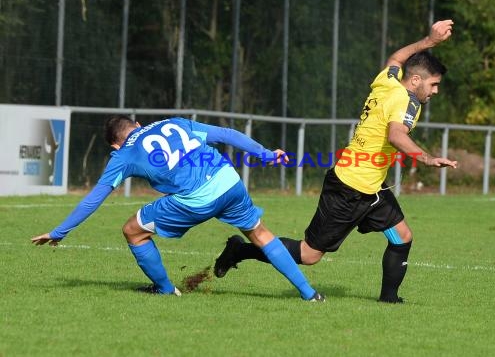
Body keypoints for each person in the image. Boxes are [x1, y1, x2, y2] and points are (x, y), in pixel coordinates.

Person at [213, 19, 458, 303]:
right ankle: (240, 250)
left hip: (371, 186)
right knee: (309, 255)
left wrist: (429, 41)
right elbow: (396, 135)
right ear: (415, 80)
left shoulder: (387, 81)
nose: (436, 91)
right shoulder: (407, 102)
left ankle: (389, 301)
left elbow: (395, 58)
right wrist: (426, 159)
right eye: (434, 84)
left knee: (402, 236)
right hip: (349, 188)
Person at [31, 115, 324, 301]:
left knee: (133, 231)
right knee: (260, 233)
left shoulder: (123, 156)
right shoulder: (175, 122)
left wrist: (60, 231)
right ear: (136, 125)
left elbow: (94, 197)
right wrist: (265, 154)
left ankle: (165, 289)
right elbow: (226, 134)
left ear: (115, 145)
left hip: (197, 198)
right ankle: (310, 295)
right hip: (228, 180)